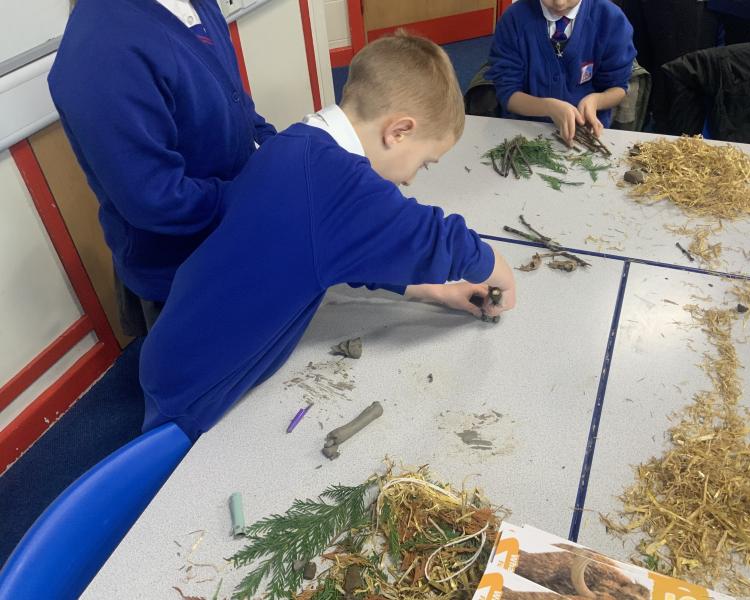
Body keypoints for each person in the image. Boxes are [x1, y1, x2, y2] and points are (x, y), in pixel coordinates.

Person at [139, 32, 518, 440]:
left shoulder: (296, 143)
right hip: (199, 386)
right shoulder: (340, 183)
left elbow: (348, 247)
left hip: (176, 348)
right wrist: (499, 272)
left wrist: (436, 292)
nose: (411, 179)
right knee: (173, 466)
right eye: (425, 163)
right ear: (399, 132)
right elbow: (435, 238)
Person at [48, 0, 277, 336]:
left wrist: (276, 152)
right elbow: (154, 197)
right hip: (182, 274)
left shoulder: (198, 6)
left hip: (236, 234)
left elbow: (236, 104)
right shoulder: (103, 49)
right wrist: (256, 195)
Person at [487, 0, 635, 144]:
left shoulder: (610, 19)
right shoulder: (514, 19)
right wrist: (547, 107)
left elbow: (618, 88)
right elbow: (508, 93)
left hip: (586, 135)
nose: (560, 3)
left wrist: (596, 101)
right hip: (525, 133)